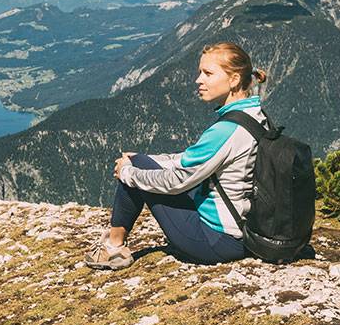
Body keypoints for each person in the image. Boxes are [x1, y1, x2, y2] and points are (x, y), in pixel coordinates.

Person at [84, 41, 268, 269]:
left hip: (217, 241)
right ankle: (114, 243)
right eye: (200, 72)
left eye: (208, 74)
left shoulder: (227, 130)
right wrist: (149, 160)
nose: (198, 80)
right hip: (244, 231)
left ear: (234, 79)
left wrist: (128, 173)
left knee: (135, 168)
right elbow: (192, 161)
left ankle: (113, 249)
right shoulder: (255, 116)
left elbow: (178, 181)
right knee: (139, 162)